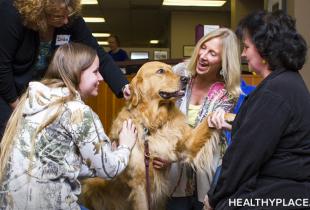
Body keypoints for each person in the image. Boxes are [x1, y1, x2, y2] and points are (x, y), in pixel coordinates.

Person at [0, 43, 137, 209]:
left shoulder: (32, 101)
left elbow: (57, 165)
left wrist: (106, 157)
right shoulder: (77, 111)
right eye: (95, 71)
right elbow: (109, 171)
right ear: (77, 73)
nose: (101, 78)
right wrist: (125, 146)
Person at [207, 10, 310, 210]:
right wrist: (235, 124)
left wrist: (212, 199)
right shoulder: (289, 81)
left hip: (280, 192)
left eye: (246, 47)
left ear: (264, 50)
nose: (243, 54)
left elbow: (243, 158)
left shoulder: (274, 91)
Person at [0, 0, 130, 138]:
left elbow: (97, 51)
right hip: (8, 91)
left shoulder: (69, 15)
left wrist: (124, 85)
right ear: (40, 12)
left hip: (44, 94)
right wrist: (18, 108)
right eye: (58, 16)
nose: (66, 20)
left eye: (67, 14)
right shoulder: (12, 13)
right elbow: (2, 66)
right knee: (11, 139)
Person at [155, 28, 242, 210]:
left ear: (223, 61)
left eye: (212, 53)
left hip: (205, 172)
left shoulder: (227, 93)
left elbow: (202, 136)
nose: (203, 56)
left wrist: (171, 157)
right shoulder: (180, 73)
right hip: (171, 175)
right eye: (203, 47)